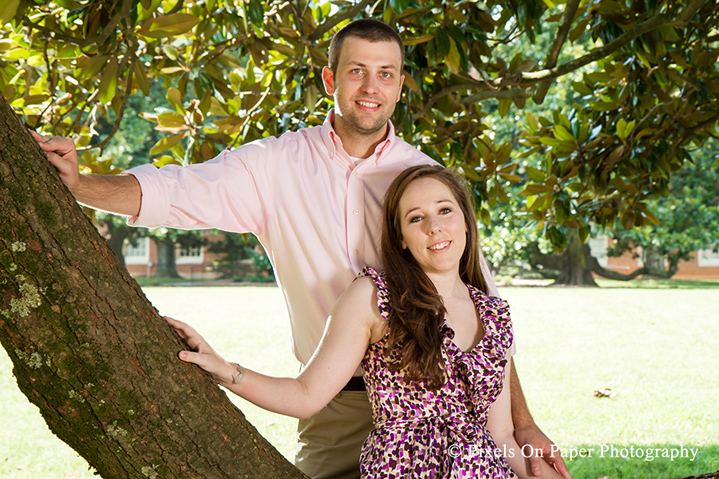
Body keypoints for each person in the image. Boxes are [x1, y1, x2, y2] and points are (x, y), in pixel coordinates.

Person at [31, 18, 569, 479]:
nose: (370, 87)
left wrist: (521, 424)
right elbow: (176, 191)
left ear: (401, 86)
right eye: (357, 71)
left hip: (445, 409)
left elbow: (480, 316)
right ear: (331, 79)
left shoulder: (423, 179)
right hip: (333, 403)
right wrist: (82, 186)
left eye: (386, 74)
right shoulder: (274, 165)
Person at [165, 165, 566, 479]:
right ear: (402, 238)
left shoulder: (494, 315)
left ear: (465, 221)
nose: (435, 227)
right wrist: (226, 370)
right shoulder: (374, 296)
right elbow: (306, 395)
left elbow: (499, 437)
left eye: (445, 211)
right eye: (416, 218)